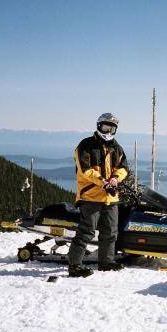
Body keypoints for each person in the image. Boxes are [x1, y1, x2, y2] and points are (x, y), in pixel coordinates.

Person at [67, 113, 128, 277]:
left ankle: (106, 262)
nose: (108, 131)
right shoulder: (86, 145)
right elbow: (85, 170)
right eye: (105, 127)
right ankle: (74, 265)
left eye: (112, 128)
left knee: (110, 232)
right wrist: (103, 182)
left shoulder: (117, 147)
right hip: (91, 196)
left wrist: (115, 179)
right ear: (98, 126)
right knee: (86, 232)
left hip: (110, 197)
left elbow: (123, 168)